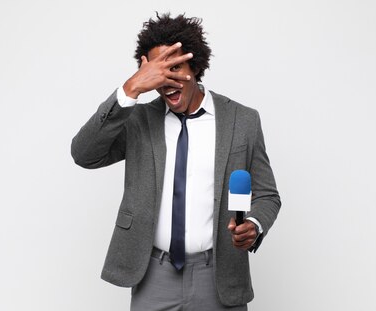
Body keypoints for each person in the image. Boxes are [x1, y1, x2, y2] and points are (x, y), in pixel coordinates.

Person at [71, 13, 281, 311]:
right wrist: (130, 89)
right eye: (159, 72)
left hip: (219, 274)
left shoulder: (242, 120)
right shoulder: (138, 120)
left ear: (194, 68)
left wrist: (255, 225)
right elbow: (84, 154)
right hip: (153, 275)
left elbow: (267, 194)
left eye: (175, 68)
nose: (167, 81)